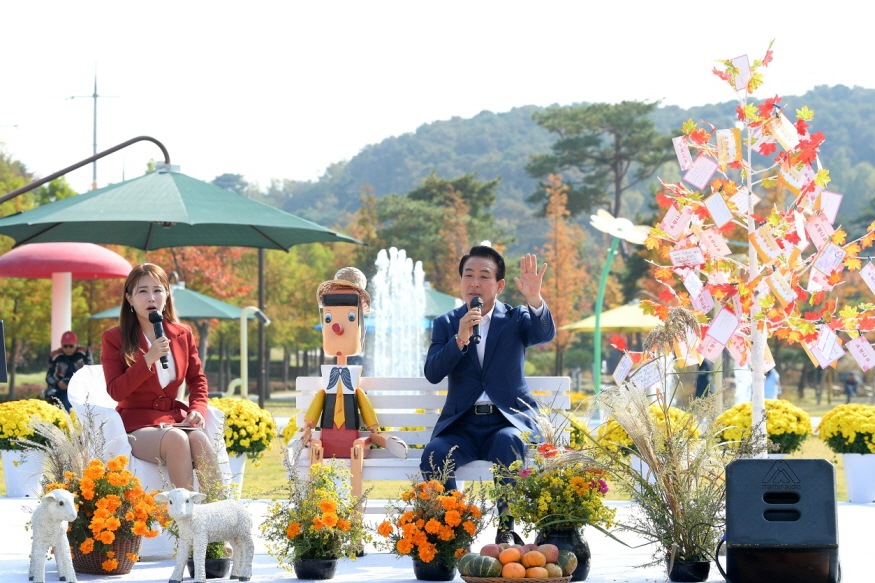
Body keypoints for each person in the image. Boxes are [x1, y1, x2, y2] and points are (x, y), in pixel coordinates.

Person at [421, 245, 555, 544]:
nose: (474, 283)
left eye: (484, 276)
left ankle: (506, 529)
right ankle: (452, 531)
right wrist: (460, 339)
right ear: (460, 281)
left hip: (507, 423)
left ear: (499, 285)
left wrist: (535, 299)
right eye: (468, 275)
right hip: (462, 426)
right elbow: (432, 373)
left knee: (508, 442)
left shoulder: (517, 318)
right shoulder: (446, 323)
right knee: (434, 453)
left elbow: (544, 334)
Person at [101, 263, 220, 490]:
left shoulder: (182, 333)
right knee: (177, 439)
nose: (151, 297)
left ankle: (219, 506)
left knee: (199, 438)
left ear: (167, 295)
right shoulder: (114, 337)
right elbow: (116, 391)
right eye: (142, 291)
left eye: (157, 290)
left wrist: (197, 409)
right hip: (136, 424)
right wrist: (147, 360)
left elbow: (197, 380)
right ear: (129, 298)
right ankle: (184, 509)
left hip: (173, 419)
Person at [45, 331, 93, 412]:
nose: (68, 349)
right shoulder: (55, 356)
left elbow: (90, 372)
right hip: (61, 390)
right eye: (65, 346)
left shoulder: (84, 352)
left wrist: (79, 383)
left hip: (80, 388)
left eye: (71, 346)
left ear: (76, 344)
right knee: (63, 401)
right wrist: (58, 383)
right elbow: (49, 376)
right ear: (61, 345)